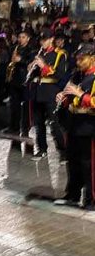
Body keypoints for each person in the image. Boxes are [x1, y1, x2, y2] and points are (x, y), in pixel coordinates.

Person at [56, 43, 95, 208]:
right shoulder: (77, 75)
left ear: (92, 58)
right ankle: (72, 194)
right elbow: (71, 98)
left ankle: (91, 199)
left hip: (90, 127)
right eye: (77, 58)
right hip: (74, 125)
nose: (78, 62)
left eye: (82, 58)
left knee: (89, 165)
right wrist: (63, 99)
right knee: (73, 163)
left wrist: (81, 95)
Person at [29, 30, 69, 158]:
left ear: (51, 39)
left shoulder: (60, 54)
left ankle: (63, 151)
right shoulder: (40, 53)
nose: (42, 42)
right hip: (38, 92)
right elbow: (35, 74)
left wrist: (43, 66)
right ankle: (42, 149)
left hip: (51, 92)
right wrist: (32, 67)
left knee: (54, 123)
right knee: (38, 123)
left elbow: (60, 75)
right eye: (41, 40)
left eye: (45, 40)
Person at [7, 29, 35, 137]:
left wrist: (21, 60)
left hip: (25, 80)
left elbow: (31, 64)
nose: (21, 39)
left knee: (26, 106)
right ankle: (14, 126)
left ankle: (25, 128)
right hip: (14, 79)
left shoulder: (31, 49)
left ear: (28, 38)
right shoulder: (15, 48)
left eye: (23, 37)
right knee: (14, 105)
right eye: (19, 37)